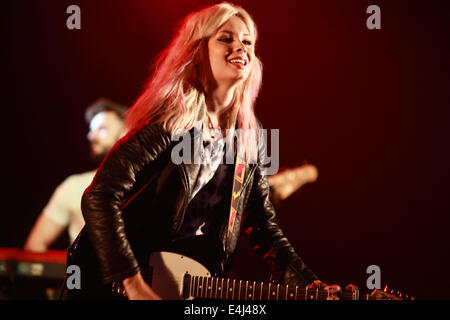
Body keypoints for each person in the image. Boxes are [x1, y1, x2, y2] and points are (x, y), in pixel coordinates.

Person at [66, 2, 340, 300]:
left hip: (191, 286)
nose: (241, 47)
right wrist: (134, 286)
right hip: (115, 288)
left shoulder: (250, 135)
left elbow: (262, 226)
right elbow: (100, 195)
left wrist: (311, 285)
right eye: (226, 38)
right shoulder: (170, 120)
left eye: (247, 41)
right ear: (197, 51)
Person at [24, 98, 127, 252]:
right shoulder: (73, 186)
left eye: (102, 129)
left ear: (126, 131)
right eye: (91, 130)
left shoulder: (146, 182)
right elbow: (34, 245)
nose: (91, 136)